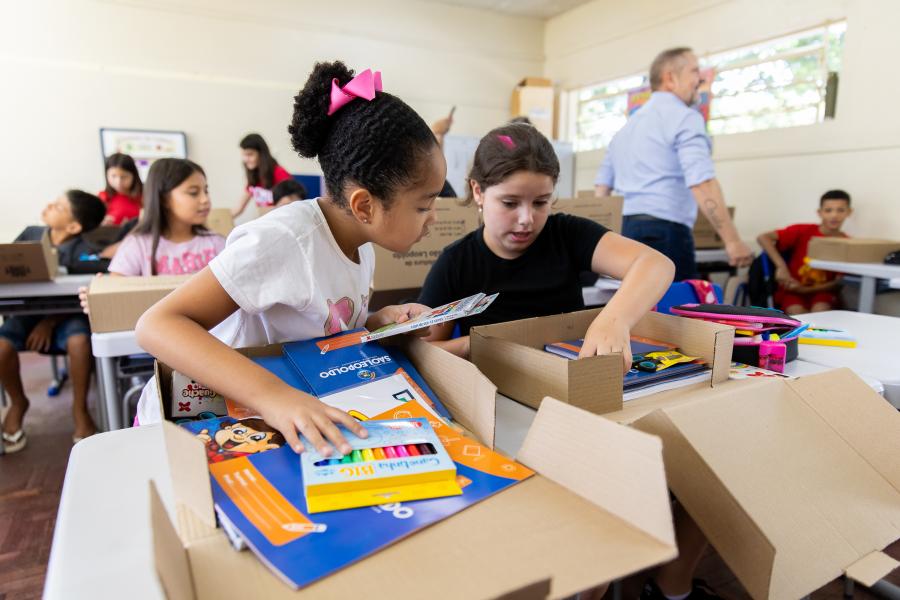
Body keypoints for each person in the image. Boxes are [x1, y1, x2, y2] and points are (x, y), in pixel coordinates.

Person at [133, 61, 444, 458]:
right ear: (365, 205)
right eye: (424, 205)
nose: (434, 217)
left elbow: (314, 320)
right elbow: (157, 325)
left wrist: (373, 323)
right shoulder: (284, 240)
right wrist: (273, 396)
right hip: (194, 415)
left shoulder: (361, 244)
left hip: (277, 401)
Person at [420, 122, 675, 370]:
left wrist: (614, 321)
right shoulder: (456, 263)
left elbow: (656, 264)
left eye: (541, 202)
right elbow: (424, 350)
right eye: (510, 203)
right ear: (478, 191)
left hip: (568, 380)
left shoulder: (567, 234)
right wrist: (472, 345)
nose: (526, 219)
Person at [595, 47, 752, 280]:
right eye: (694, 71)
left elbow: (601, 191)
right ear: (670, 78)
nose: (700, 79)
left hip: (626, 232)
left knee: (642, 312)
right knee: (676, 313)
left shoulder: (626, 129)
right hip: (666, 233)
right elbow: (701, 181)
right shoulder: (686, 118)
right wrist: (732, 241)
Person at [0, 190, 107, 451]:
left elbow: (90, 285)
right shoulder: (30, 236)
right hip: (26, 315)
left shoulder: (83, 252)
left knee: (80, 342)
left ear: (73, 226)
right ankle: (18, 401)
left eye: (59, 206)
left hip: (67, 315)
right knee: (1, 347)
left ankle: (80, 408)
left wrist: (48, 322)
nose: (50, 205)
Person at [107, 158, 225, 276]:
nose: (205, 199)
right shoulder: (137, 245)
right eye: (193, 192)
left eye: (206, 191)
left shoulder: (217, 243)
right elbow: (116, 288)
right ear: (164, 199)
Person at [756, 189, 852, 314]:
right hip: (792, 291)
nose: (834, 215)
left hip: (823, 292)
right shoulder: (803, 231)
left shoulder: (847, 243)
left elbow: (838, 283)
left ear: (849, 212)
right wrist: (781, 267)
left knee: (820, 311)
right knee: (796, 314)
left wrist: (805, 290)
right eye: (828, 210)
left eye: (840, 210)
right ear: (820, 212)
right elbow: (763, 237)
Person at [231, 133, 293, 217]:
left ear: (261, 154)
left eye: (250, 154)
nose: (245, 159)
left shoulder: (279, 173)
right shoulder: (253, 176)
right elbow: (239, 208)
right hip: (265, 221)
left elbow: (290, 203)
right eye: (243, 155)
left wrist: (265, 211)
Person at [98, 153, 143, 225]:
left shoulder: (145, 195)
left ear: (134, 176)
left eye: (124, 177)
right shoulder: (103, 197)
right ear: (106, 175)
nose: (118, 182)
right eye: (113, 176)